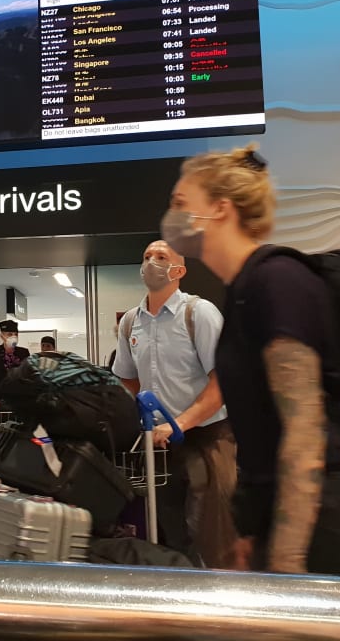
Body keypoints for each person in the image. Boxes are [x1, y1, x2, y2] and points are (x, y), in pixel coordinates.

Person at [160, 144, 340, 576]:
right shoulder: (245, 288)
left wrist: (287, 562)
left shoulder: (277, 281)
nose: (171, 216)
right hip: (294, 514)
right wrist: (254, 533)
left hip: (331, 522)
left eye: (180, 204)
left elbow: (304, 436)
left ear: (220, 209)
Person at [112, 240, 237, 568]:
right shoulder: (129, 323)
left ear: (178, 270)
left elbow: (221, 382)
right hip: (160, 444)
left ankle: (219, 601)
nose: (151, 262)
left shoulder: (199, 313)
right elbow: (127, 379)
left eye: (161, 257)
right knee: (169, 528)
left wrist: (179, 423)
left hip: (206, 438)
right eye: (147, 256)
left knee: (210, 531)